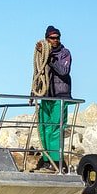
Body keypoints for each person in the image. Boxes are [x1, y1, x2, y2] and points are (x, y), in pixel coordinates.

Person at [33, 25, 72, 170]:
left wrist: (50, 58)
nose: (55, 40)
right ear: (47, 39)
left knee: (56, 128)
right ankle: (46, 159)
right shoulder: (42, 53)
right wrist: (34, 92)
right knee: (44, 128)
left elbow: (64, 71)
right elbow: (38, 71)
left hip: (60, 96)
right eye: (52, 38)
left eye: (57, 38)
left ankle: (56, 161)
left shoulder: (64, 53)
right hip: (46, 95)